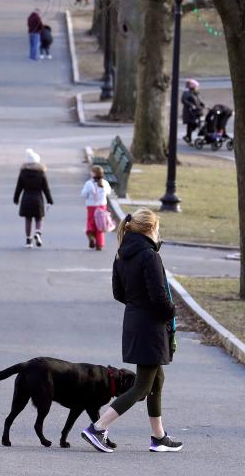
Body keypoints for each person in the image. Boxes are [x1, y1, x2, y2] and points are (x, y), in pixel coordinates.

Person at [80, 208, 183, 455]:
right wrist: (171, 311)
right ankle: (98, 427)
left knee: (156, 380)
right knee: (142, 386)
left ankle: (158, 437)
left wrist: (138, 305)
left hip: (135, 322)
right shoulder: (149, 256)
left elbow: (119, 293)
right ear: (150, 228)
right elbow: (159, 297)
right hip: (151, 326)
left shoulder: (121, 254)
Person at [13, 149, 54, 248]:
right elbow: (46, 188)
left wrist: (16, 198)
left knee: (28, 219)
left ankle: (28, 241)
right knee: (39, 218)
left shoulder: (23, 173)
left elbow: (19, 187)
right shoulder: (41, 173)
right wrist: (49, 200)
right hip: (37, 198)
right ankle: (38, 232)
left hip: (26, 197)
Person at [81, 165, 112, 251]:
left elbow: (83, 194)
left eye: (91, 171)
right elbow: (109, 192)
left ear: (93, 174)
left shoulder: (88, 184)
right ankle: (99, 244)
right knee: (100, 225)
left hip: (91, 206)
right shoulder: (105, 183)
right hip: (102, 206)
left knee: (90, 221)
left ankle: (91, 236)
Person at [181, 79, 204, 144]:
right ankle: (189, 138)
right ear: (193, 87)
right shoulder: (187, 92)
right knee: (191, 124)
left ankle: (187, 137)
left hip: (196, 111)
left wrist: (202, 104)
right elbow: (183, 100)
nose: (198, 88)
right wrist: (191, 105)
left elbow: (198, 100)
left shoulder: (196, 93)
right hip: (189, 112)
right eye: (196, 86)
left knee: (195, 124)